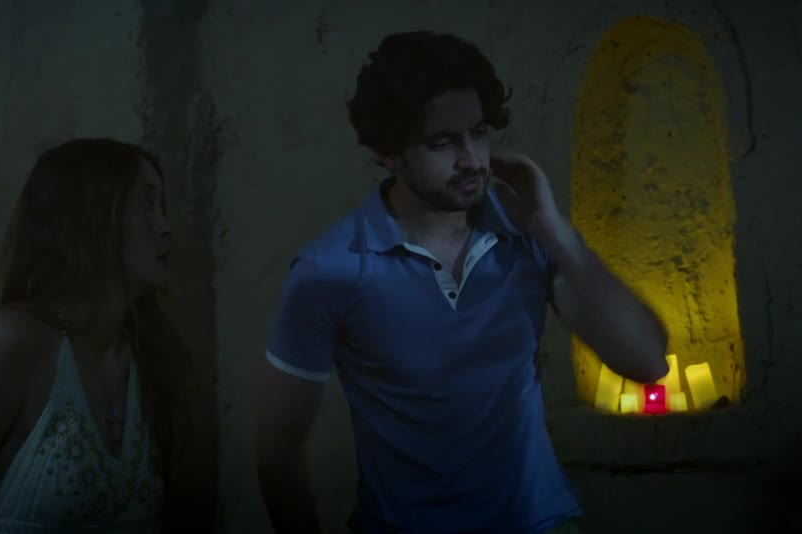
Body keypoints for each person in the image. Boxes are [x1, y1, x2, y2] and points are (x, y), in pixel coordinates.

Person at [255, 31, 669, 534]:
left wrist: (558, 233)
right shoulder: (329, 270)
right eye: (443, 142)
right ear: (388, 152)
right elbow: (278, 449)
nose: (473, 159)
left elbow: (647, 364)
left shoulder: (529, 232)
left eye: (478, 132)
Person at [0, 138, 193, 533]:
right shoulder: (14, 346)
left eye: (161, 207)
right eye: (144, 204)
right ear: (88, 218)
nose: (165, 227)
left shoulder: (151, 356)